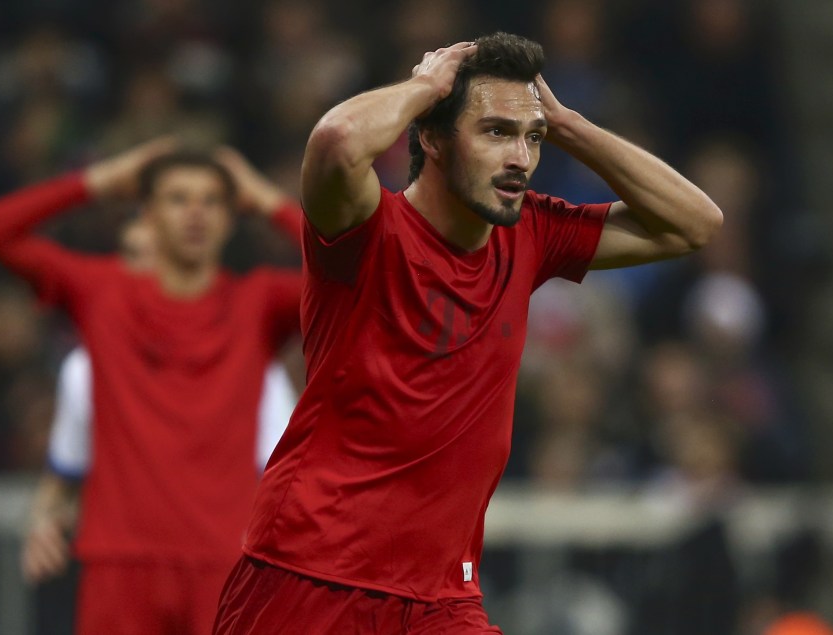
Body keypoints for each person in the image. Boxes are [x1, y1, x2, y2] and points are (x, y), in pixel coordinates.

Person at [213, 32, 722, 634]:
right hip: (310, 573)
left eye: (531, 139)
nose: (522, 158)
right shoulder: (366, 229)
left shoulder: (532, 233)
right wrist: (426, 87)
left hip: (443, 598)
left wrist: (567, 124)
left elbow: (695, 224)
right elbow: (337, 141)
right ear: (431, 136)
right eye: (496, 132)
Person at [0, 139, 304, 635]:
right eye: (178, 198)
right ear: (146, 214)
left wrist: (269, 199)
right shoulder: (101, 292)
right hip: (120, 564)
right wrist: (98, 181)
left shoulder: (259, 304)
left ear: (233, 217)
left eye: (212, 201)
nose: (196, 213)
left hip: (224, 564)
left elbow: (364, 270)